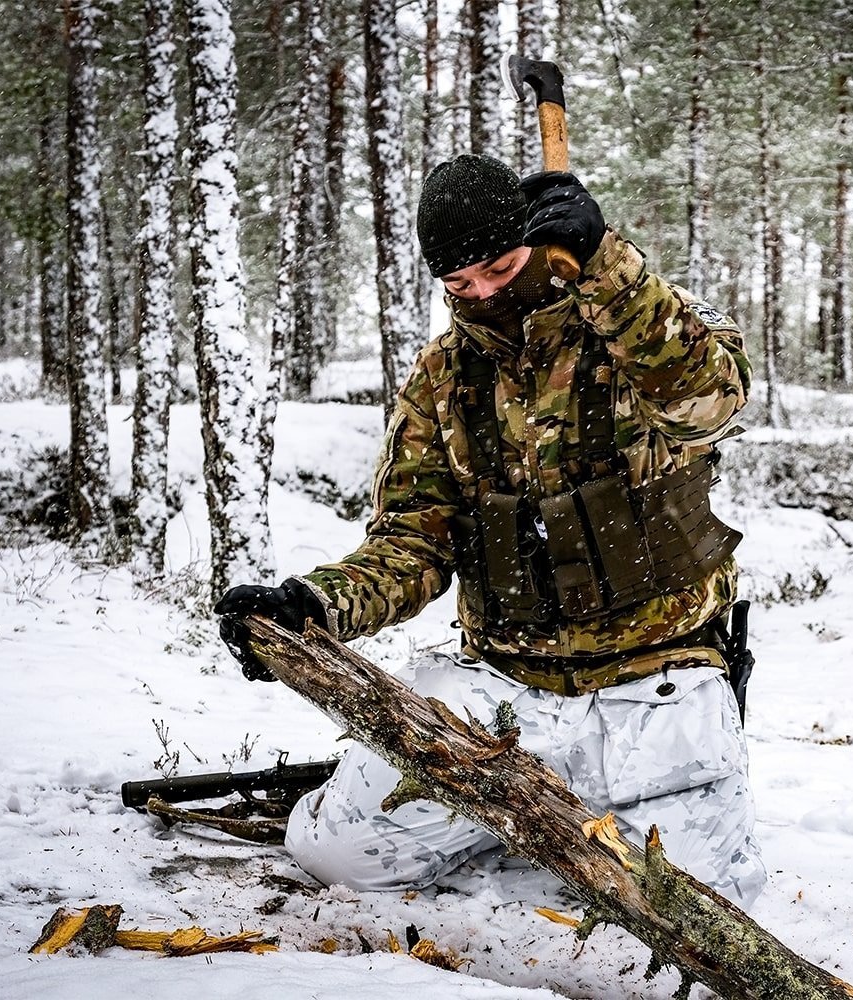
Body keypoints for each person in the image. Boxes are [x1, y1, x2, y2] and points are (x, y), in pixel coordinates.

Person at [213, 154, 765, 907]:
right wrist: (314, 606)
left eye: (501, 269)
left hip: (657, 684)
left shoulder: (635, 318)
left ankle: (576, 830)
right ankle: (540, 832)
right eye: (459, 284)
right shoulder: (443, 377)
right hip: (504, 691)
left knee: (697, 912)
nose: (483, 295)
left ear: (539, 244)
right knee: (339, 855)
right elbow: (414, 541)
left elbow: (713, 401)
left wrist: (609, 267)